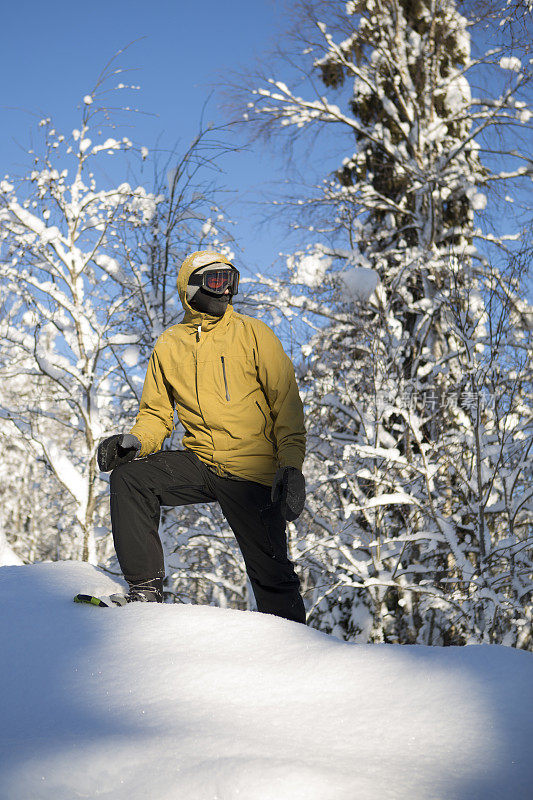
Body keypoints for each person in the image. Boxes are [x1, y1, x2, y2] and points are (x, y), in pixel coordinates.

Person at [97, 250, 307, 624]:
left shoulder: (254, 333)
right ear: (191, 287)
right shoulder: (169, 345)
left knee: (273, 577)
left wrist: (290, 467)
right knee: (131, 479)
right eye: (216, 281)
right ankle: (145, 593)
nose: (226, 291)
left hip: (252, 470)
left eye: (231, 281)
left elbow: (286, 405)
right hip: (201, 462)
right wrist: (135, 442)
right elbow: (156, 415)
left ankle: (295, 649)